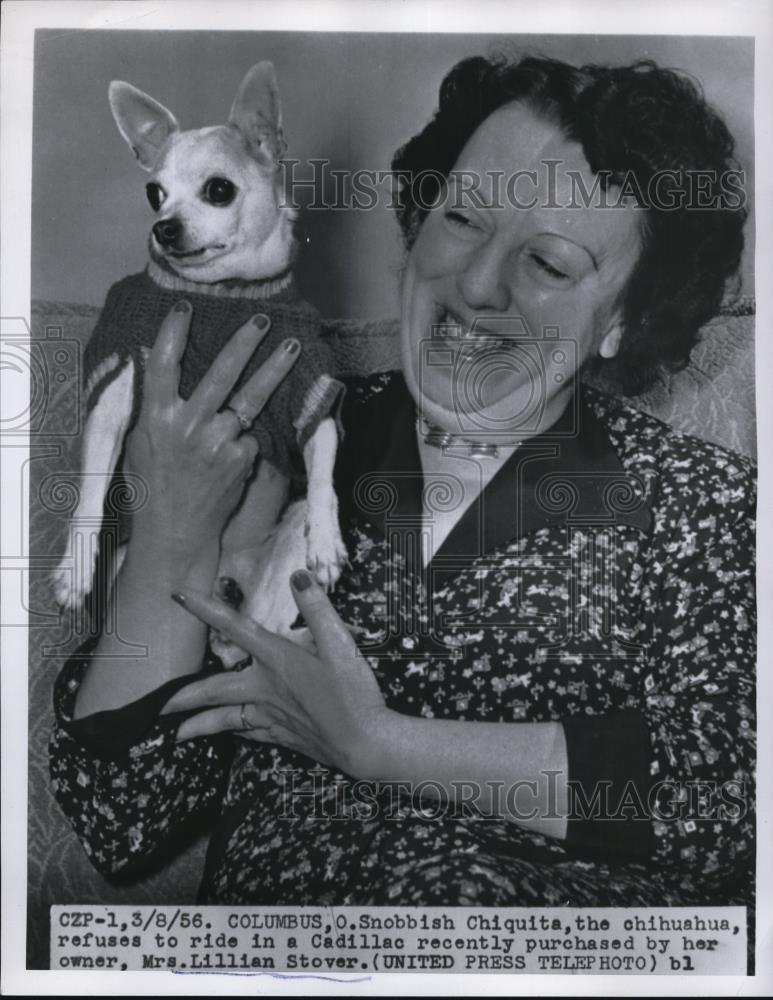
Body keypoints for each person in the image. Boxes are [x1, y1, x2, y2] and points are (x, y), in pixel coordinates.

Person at [50, 54, 755, 908]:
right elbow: (121, 818)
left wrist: (383, 744)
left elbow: (731, 802)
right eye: (460, 218)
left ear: (623, 321)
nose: (477, 285)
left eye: (551, 264)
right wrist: (168, 531)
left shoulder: (699, 501)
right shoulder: (277, 439)